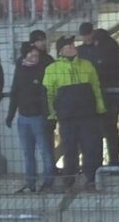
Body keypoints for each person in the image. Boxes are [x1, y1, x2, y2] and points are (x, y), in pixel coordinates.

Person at [44, 34, 106, 190]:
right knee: (69, 148)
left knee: (90, 147)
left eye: (73, 45)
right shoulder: (52, 69)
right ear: (60, 50)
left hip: (87, 114)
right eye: (68, 46)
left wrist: (100, 107)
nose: (72, 48)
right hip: (67, 116)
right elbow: (48, 94)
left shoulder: (87, 65)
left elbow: (96, 88)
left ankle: (91, 178)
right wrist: (51, 114)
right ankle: (69, 179)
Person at [5, 42, 53, 193]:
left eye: (36, 54)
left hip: (38, 117)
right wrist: (10, 114)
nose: (34, 56)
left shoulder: (43, 70)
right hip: (23, 117)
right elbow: (14, 93)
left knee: (45, 150)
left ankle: (48, 181)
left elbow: (45, 95)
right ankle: (30, 183)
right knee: (27, 152)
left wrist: (47, 116)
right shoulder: (20, 71)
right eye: (31, 54)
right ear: (25, 55)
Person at [77, 22, 119, 168]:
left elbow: (110, 72)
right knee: (107, 130)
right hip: (104, 96)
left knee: (104, 130)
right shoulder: (109, 49)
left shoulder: (100, 51)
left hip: (103, 96)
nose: (86, 39)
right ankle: (111, 162)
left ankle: (100, 163)